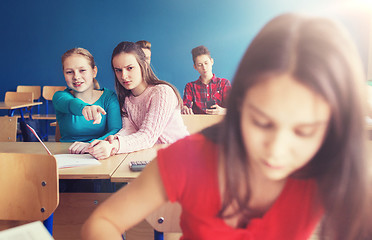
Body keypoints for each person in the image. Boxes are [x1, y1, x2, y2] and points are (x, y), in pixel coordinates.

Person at [81, 13, 372, 240]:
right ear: (240, 106)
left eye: (305, 131)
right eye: (261, 122)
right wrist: (111, 142)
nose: (277, 150)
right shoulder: (189, 158)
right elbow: (102, 221)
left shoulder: (333, 167)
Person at [87, 41, 188, 160]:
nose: (123, 76)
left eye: (130, 68)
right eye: (118, 70)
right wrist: (111, 141)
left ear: (143, 65)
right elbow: (129, 130)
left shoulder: (162, 92)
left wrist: (114, 146)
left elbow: (147, 136)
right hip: (152, 157)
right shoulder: (126, 99)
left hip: (181, 156)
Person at [53, 48, 122, 154]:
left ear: (94, 72)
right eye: (69, 72)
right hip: (67, 155)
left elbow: (115, 130)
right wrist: (85, 108)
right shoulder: (60, 97)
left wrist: (90, 145)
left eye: (82, 70)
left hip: (99, 153)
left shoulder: (109, 97)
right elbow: (70, 104)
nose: (76, 77)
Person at [182, 45, 231, 115]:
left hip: (219, 123)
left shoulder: (224, 83)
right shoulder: (190, 86)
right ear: (195, 67)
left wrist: (223, 111)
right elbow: (185, 105)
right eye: (199, 65)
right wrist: (185, 109)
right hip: (198, 124)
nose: (204, 67)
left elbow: (233, 108)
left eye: (206, 63)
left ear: (212, 62)